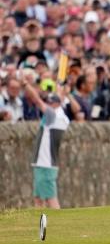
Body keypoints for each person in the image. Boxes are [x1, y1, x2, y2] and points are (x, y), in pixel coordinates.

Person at [23, 78, 70, 209]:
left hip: (45, 164)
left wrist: (25, 84)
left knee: (50, 199)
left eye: (49, 102)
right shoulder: (62, 116)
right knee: (38, 198)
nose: (47, 104)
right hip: (45, 164)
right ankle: (41, 226)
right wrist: (61, 90)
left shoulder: (52, 115)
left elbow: (36, 100)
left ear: (54, 104)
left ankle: (60, 226)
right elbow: (58, 99)